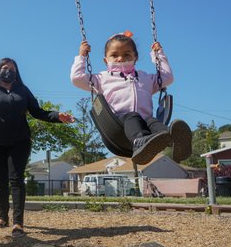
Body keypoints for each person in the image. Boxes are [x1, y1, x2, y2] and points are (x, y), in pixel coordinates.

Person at [0, 58, 74, 237]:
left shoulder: (23, 90)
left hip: (20, 141)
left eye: (12, 69)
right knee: (0, 181)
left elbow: (38, 112)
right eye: (5, 68)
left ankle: (18, 223)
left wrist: (57, 116)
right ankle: (2, 218)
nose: (8, 71)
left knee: (16, 179)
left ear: (16, 72)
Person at [71, 30, 192, 165]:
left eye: (127, 54)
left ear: (135, 57)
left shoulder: (145, 77)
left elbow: (167, 78)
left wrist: (158, 55)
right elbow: (77, 78)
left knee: (153, 122)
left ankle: (173, 139)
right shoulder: (101, 78)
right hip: (118, 123)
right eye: (114, 55)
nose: (121, 58)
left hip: (145, 122)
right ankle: (140, 142)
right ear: (106, 60)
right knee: (132, 116)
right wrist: (82, 56)